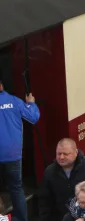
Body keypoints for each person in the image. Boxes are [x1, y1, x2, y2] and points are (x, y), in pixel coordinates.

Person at [0, 78, 39, 221]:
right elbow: (33, 117)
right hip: (13, 155)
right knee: (16, 189)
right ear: (2, 86)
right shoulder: (15, 101)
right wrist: (31, 103)